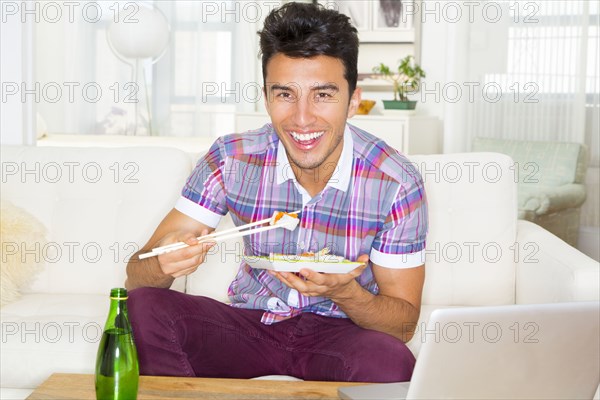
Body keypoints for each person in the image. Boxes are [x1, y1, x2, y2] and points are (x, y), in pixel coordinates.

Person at [125, 2, 427, 383]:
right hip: (250, 325)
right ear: (266, 97)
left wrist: (346, 292)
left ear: (353, 100)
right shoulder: (231, 158)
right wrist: (163, 263)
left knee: (391, 361)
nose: (302, 118)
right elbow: (137, 275)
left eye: (323, 95)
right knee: (143, 306)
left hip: (341, 334)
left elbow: (402, 326)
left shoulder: (395, 180)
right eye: (285, 94)